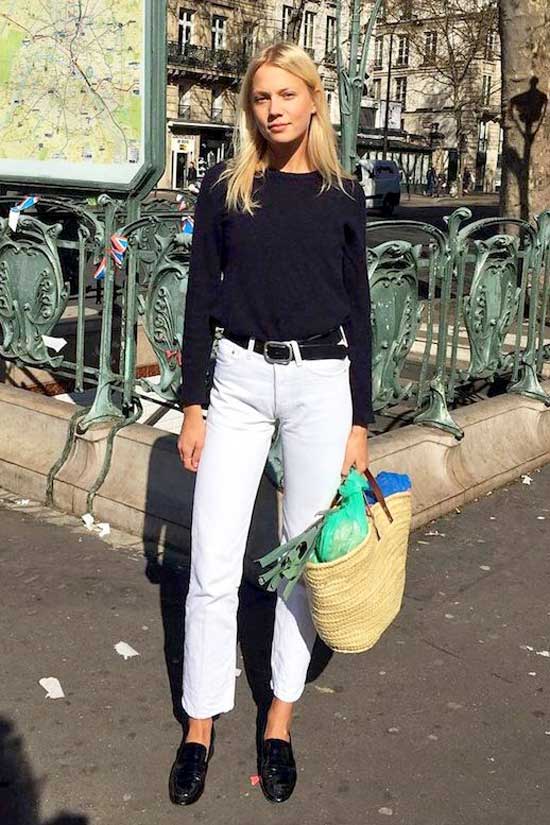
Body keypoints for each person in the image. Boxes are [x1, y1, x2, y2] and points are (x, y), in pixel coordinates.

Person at [170, 41, 374, 807]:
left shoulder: (342, 193)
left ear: (313, 101)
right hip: (241, 379)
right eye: (261, 98)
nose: (273, 108)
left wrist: (361, 420)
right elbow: (198, 300)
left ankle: (279, 720)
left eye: (287, 95)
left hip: (322, 381)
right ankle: (199, 725)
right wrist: (194, 401)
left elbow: (360, 312)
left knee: (302, 561)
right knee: (215, 556)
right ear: (250, 108)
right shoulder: (228, 187)